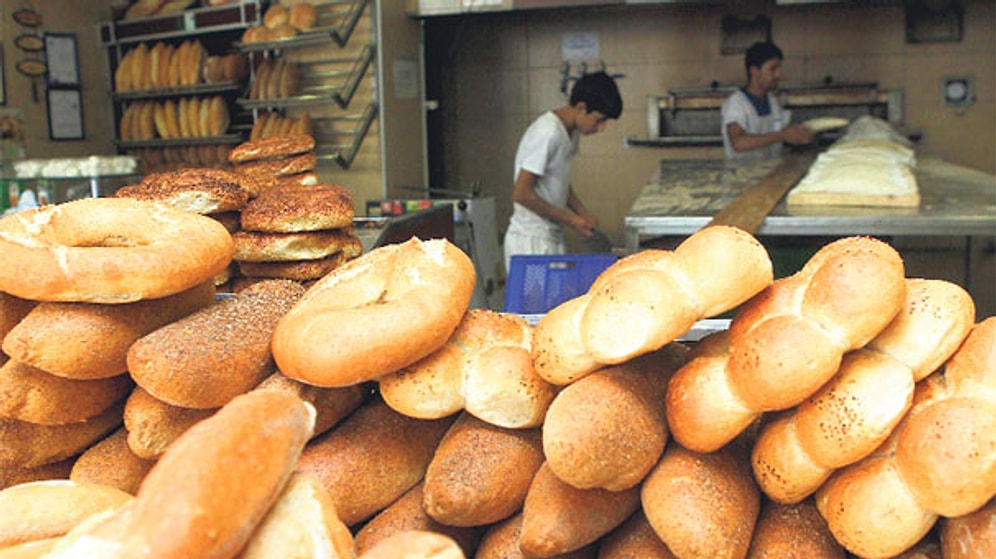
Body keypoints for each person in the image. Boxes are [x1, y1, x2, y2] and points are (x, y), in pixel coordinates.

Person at [503, 71, 623, 273]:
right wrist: (571, 220)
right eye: (599, 120)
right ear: (581, 107)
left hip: (550, 237)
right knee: (535, 296)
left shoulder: (570, 133)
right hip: (530, 243)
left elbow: (559, 182)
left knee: (555, 294)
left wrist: (582, 214)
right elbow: (521, 194)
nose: (601, 128)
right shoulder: (548, 132)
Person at [721, 41, 813, 161]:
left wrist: (803, 134)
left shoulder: (772, 101)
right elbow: (738, 143)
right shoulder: (737, 103)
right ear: (754, 71)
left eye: (779, 68)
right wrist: (783, 135)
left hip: (771, 169)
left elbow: (783, 135)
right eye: (772, 69)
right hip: (743, 171)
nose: (779, 75)